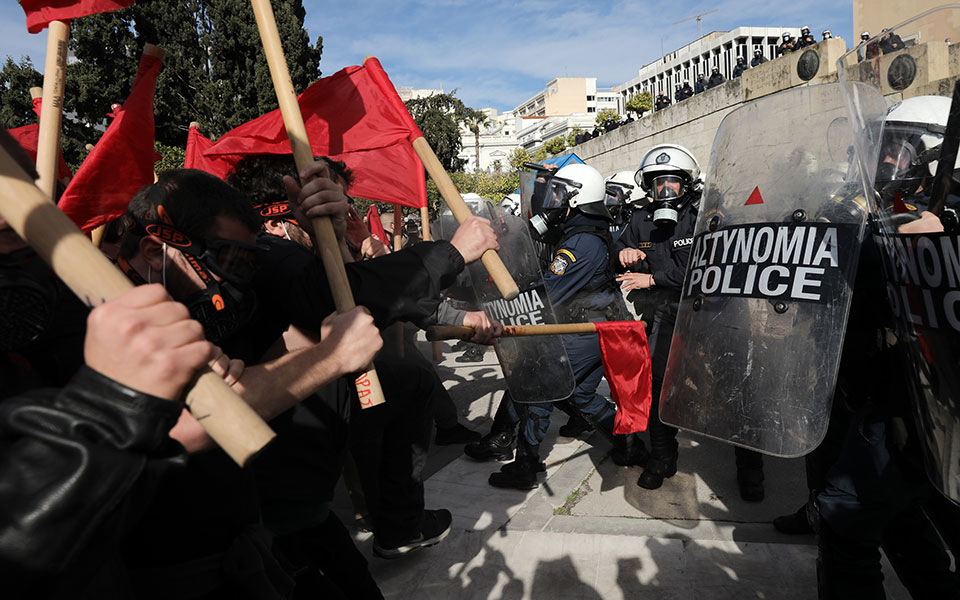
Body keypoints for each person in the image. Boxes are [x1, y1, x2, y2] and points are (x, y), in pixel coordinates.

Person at [814, 95, 960, 599]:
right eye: (883, 149)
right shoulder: (895, 216)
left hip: (935, 404)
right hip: (896, 398)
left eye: (900, 149)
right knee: (897, 516)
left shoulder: (944, 222)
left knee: (845, 514)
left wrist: (944, 241)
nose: (886, 163)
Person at [485, 163, 638, 489]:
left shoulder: (580, 244)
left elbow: (550, 293)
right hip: (593, 326)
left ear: (578, 200)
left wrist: (507, 302)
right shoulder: (580, 232)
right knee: (581, 395)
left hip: (583, 329)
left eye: (559, 194)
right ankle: (629, 443)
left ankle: (526, 466)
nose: (552, 201)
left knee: (539, 389)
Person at [614, 144, 699, 490]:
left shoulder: (702, 215)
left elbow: (703, 270)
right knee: (657, 385)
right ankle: (663, 455)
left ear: (686, 184)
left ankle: (750, 466)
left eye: (672, 182)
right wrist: (625, 252)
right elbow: (616, 248)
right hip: (662, 314)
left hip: (703, 312)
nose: (665, 189)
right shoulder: (640, 218)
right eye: (658, 182)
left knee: (726, 387)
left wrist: (652, 279)